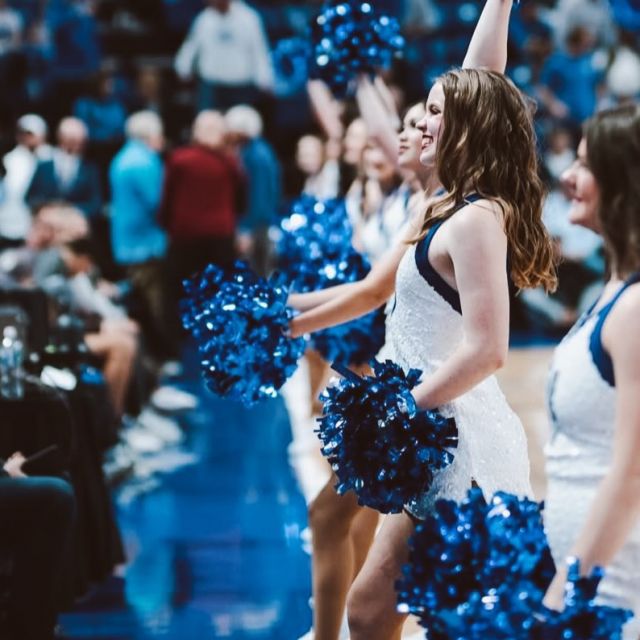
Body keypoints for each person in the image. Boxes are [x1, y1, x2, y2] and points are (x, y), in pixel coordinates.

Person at [290, 67, 556, 639]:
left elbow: (488, 351)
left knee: (432, 619)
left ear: (469, 124)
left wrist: (398, 410)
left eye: (435, 112)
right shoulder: (444, 206)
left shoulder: (478, 219)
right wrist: (284, 314)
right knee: (371, 612)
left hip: (457, 444)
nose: (420, 123)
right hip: (431, 438)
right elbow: (370, 291)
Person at [542, 104, 640, 638]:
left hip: (614, 592)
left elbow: (631, 474)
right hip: (589, 576)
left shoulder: (635, 309)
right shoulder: (613, 294)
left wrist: (565, 592)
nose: (567, 177)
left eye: (584, 164)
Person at [109, 111, 167, 357]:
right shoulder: (144, 161)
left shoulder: (121, 157)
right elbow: (158, 202)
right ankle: (159, 357)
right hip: (145, 244)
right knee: (154, 305)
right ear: (150, 135)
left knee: (140, 302)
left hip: (126, 241)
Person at [174, 0, 274, 112]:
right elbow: (191, 45)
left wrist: (265, 79)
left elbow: (259, 50)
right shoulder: (204, 19)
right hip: (211, 85)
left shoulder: (249, 18)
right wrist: (183, 67)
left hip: (241, 86)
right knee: (206, 122)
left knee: (240, 125)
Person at [225, 104, 281, 275]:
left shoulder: (255, 154)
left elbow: (259, 195)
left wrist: (246, 229)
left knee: (256, 274)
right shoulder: (258, 150)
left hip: (257, 225)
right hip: (260, 223)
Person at [26, 117, 103, 219]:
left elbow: (95, 204)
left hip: (75, 228)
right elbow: (30, 198)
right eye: (72, 141)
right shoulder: (44, 166)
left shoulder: (89, 169)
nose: (77, 147)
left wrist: (70, 212)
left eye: (81, 142)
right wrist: (48, 210)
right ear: (61, 138)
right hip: (47, 225)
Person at [0, 114, 52, 246]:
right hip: (8, 227)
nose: (28, 138)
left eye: (31, 134)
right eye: (24, 133)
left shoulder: (48, 159)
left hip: (37, 229)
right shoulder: (9, 160)